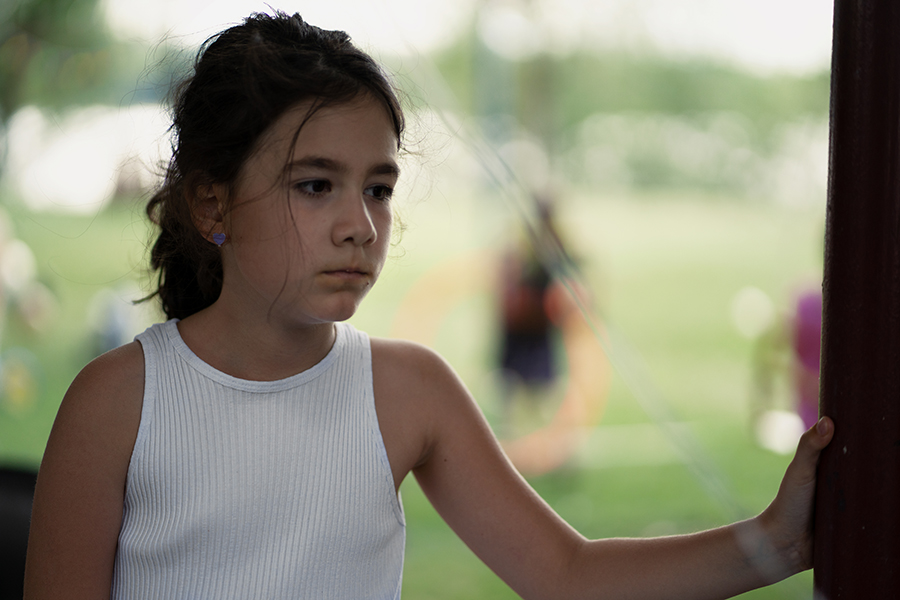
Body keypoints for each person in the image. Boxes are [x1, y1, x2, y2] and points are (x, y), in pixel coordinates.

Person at [24, 11, 834, 599]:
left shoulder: (409, 390)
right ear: (212, 205)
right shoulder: (116, 402)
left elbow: (565, 574)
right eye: (316, 185)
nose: (360, 225)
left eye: (378, 188)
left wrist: (772, 541)